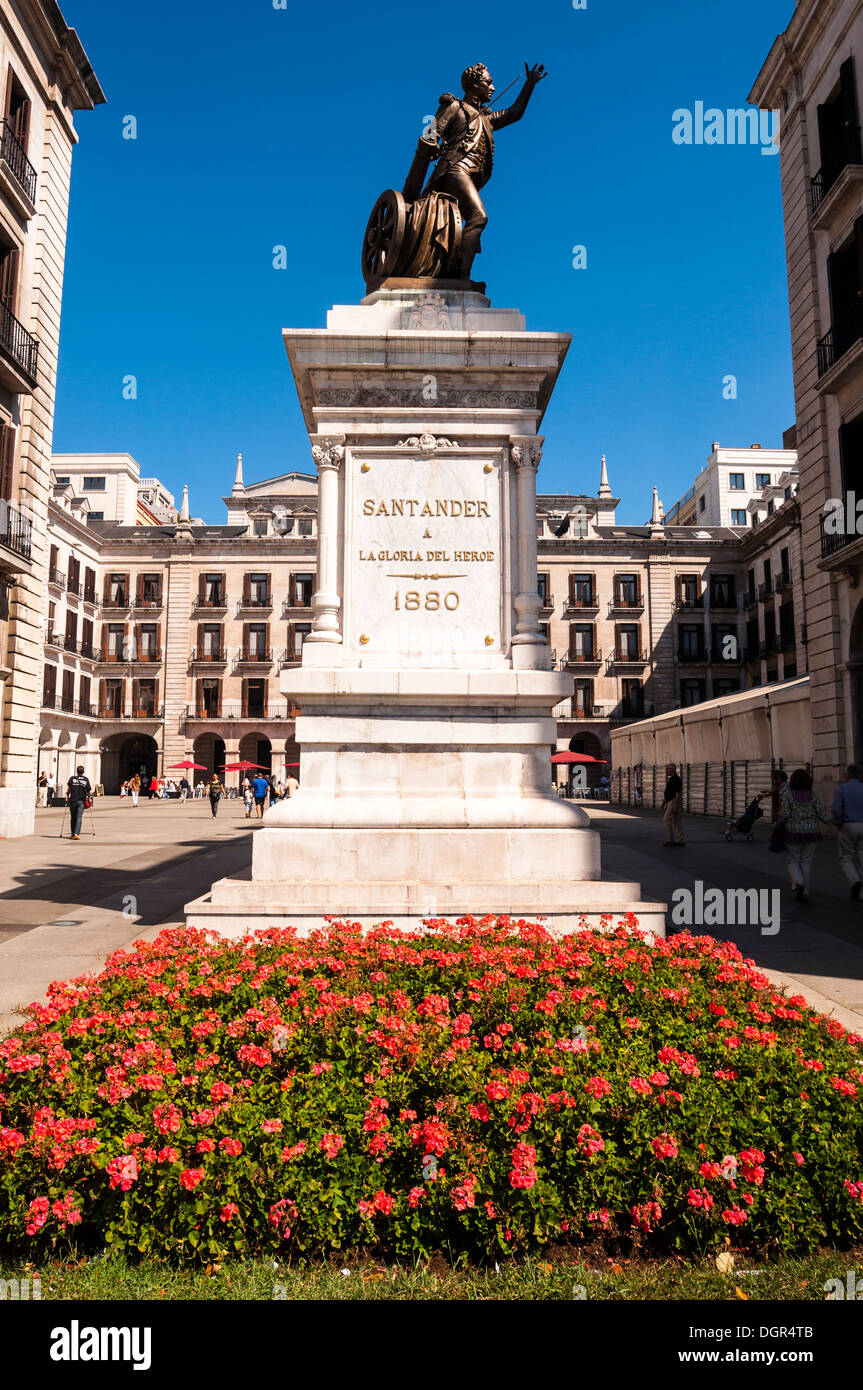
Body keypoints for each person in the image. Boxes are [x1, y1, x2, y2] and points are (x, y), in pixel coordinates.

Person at [778, 768, 833, 904]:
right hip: (811, 832)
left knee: (792, 860)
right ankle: (805, 892)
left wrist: (779, 825)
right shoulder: (812, 795)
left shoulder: (788, 795)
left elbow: (784, 814)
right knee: (806, 862)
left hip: (793, 832)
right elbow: (821, 813)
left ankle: (799, 882)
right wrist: (833, 823)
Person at [832, 764, 863, 901]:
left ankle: (854, 881)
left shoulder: (842, 789)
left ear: (847, 775)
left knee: (845, 856)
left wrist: (838, 820)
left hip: (848, 825)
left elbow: (836, 809)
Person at [661, 762, 684, 847]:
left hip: (674, 801)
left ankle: (671, 840)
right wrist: (664, 803)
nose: (666, 771)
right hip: (671, 801)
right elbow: (669, 793)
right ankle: (680, 840)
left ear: (672, 770)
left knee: (666, 819)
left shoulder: (676, 779)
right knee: (676, 821)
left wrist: (676, 805)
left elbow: (677, 794)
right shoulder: (672, 779)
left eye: (667, 769)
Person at [66, 765, 91, 841]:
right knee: (79, 817)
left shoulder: (72, 778)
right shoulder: (86, 779)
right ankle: (76, 834)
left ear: (77, 771)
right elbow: (89, 791)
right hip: (81, 801)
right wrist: (89, 798)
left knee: (73, 817)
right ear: (83, 772)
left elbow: (69, 789)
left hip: (73, 800)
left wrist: (67, 796)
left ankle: (73, 833)